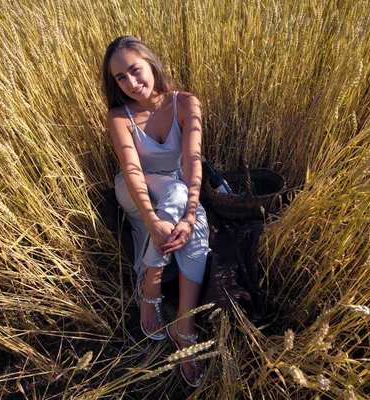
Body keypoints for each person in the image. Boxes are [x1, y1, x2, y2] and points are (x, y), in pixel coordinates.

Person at [102, 36, 209, 387]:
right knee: (176, 194)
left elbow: (193, 162)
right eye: (121, 78)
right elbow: (132, 172)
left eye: (135, 70)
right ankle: (152, 286)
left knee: (198, 227)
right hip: (136, 190)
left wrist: (191, 215)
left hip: (175, 190)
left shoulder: (186, 103)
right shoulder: (120, 115)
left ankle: (184, 323)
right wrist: (150, 218)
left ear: (151, 64)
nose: (132, 83)